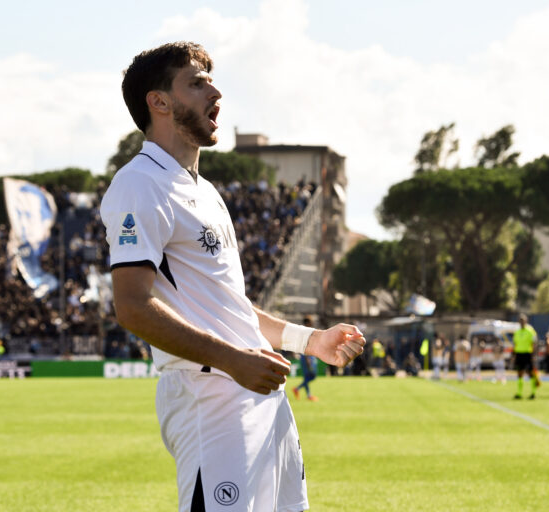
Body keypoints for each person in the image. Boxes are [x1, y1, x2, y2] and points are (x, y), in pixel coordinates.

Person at [100, 42, 366, 512]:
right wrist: (231, 360)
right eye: (197, 82)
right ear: (159, 102)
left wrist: (310, 341)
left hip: (259, 393)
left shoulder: (204, 191)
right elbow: (132, 305)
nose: (215, 91)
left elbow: (231, 309)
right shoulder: (140, 184)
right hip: (211, 399)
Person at [513, 314, 538, 399]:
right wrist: (514, 355)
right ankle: (519, 393)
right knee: (520, 373)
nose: (522, 323)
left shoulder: (530, 331)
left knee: (530, 373)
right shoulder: (517, 332)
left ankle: (533, 393)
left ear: (526, 321)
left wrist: (533, 354)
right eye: (520, 321)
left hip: (527, 354)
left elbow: (534, 343)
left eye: (523, 321)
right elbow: (515, 344)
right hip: (519, 354)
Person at [293, 317, 319, 401]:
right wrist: (308, 359)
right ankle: (297, 389)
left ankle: (308, 395)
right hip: (307, 357)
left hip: (307, 357)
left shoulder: (304, 332)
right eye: (311, 322)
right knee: (312, 376)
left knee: (307, 377)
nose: (312, 324)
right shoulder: (306, 333)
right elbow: (305, 346)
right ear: (307, 323)